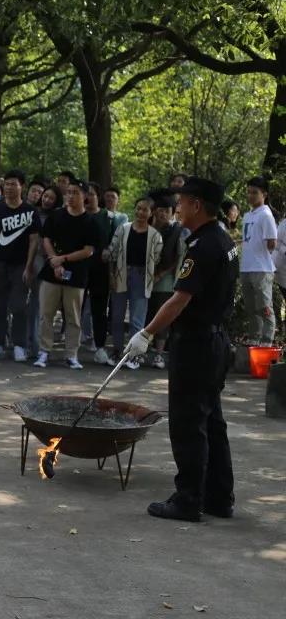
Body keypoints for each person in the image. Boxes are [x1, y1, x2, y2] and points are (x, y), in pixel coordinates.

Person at [125, 177, 238, 522]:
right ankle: (219, 496)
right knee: (212, 421)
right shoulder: (223, 239)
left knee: (189, 423)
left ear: (197, 205)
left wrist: (146, 333)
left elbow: (179, 299)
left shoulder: (203, 246)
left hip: (197, 345)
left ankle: (188, 499)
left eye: (183, 201)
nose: (178, 207)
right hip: (216, 341)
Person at [33, 182, 97, 369]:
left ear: (84, 196)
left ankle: (71, 354)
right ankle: (44, 351)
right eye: (68, 192)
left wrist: (63, 259)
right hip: (51, 272)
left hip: (76, 275)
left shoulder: (90, 221)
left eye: (75, 193)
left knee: (73, 317)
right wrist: (54, 260)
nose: (70, 196)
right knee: (46, 314)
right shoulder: (56, 215)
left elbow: (88, 250)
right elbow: (46, 239)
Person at [0, 170, 41, 361]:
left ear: (22, 186)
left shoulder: (30, 211)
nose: (9, 187)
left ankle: (19, 345)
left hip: (20, 265)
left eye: (13, 184)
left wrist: (29, 267)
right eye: (6, 184)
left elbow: (34, 241)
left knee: (19, 306)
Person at [105, 196, 162, 369]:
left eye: (145, 209)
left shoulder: (155, 235)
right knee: (117, 316)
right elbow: (112, 252)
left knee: (137, 319)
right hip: (121, 273)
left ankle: (134, 356)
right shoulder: (123, 229)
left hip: (142, 277)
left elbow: (157, 258)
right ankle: (116, 351)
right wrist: (111, 275)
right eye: (138, 208)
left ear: (151, 213)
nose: (141, 212)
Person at [147, 190, 184, 369]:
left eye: (167, 211)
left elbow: (178, 256)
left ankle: (159, 354)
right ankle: (141, 351)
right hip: (145, 277)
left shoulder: (177, 230)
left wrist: (160, 274)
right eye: (160, 210)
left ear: (172, 213)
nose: (162, 214)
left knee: (162, 314)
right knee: (146, 314)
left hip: (166, 279)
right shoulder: (146, 227)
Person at [239, 176, 277, 345]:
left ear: (264, 194)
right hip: (246, 267)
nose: (251, 196)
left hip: (261, 268)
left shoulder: (266, 215)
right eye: (248, 192)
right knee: (251, 306)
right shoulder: (247, 215)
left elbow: (272, 243)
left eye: (255, 192)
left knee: (264, 306)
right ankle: (254, 337)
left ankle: (267, 339)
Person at [26, 185, 61, 354]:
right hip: (27, 259)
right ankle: (24, 342)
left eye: (51, 198)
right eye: (45, 196)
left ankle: (36, 345)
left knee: (39, 304)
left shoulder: (57, 217)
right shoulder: (31, 212)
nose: (46, 200)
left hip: (45, 261)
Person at [84, 182, 115, 365]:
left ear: (98, 196)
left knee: (99, 310)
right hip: (79, 267)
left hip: (101, 269)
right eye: (85, 194)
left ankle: (100, 347)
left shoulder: (108, 217)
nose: (88, 197)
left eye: (91, 194)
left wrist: (108, 251)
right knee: (74, 308)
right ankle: (72, 349)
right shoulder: (77, 215)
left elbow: (114, 241)